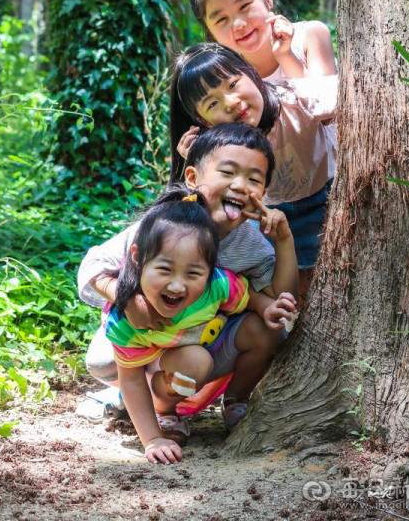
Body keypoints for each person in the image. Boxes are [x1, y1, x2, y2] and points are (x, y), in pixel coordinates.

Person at [78, 123, 298, 425]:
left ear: (263, 193)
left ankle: (235, 400)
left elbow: (278, 300)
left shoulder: (251, 244)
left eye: (254, 179)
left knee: (270, 330)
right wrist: (126, 298)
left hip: (198, 346)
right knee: (102, 362)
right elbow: (92, 265)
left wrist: (284, 241)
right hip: (142, 335)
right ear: (193, 178)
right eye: (228, 172)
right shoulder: (165, 225)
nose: (240, 185)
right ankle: (138, 400)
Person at [99, 185, 295, 465]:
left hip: (208, 351)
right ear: (137, 256)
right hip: (163, 370)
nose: (177, 285)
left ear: (211, 268)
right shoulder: (127, 320)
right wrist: (152, 440)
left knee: (267, 330)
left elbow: (249, 298)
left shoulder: (216, 285)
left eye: (193, 273)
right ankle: (164, 411)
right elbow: (130, 380)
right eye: (165, 269)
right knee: (195, 360)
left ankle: (237, 399)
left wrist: (268, 307)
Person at [171, 44, 337, 301]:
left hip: (323, 201)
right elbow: (209, 181)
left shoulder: (293, 98)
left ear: (251, 73)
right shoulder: (217, 143)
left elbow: (340, 96)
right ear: (204, 121)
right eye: (213, 102)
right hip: (263, 220)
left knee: (328, 285)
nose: (231, 103)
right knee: (297, 295)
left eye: (232, 85)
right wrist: (193, 157)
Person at [188, 0, 337, 82]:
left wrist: (285, 55)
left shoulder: (311, 35)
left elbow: (326, 108)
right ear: (210, 31)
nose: (238, 24)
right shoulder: (225, 77)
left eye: (244, 6)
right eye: (221, 19)